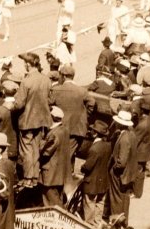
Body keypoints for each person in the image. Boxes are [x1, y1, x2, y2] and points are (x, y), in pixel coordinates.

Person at [14, 52, 53, 188]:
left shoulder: (26, 81)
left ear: (28, 64)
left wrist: (10, 105)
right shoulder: (46, 79)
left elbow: (19, 104)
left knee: (26, 150)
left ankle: (27, 177)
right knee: (36, 149)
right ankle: (35, 177)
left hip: (27, 121)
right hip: (41, 120)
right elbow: (50, 99)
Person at [50, 64, 95, 164]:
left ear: (64, 76)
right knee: (69, 154)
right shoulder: (82, 91)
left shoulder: (56, 90)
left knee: (59, 155)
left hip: (59, 128)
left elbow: (49, 104)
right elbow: (91, 103)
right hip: (77, 128)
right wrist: (84, 116)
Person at [108, 110, 140, 224]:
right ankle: (124, 219)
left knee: (116, 197)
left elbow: (122, 162)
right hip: (129, 173)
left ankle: (116, 219)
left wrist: (114, 169)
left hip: (120, 174)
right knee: (125, 198)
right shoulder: (131, 134)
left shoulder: (124, 138)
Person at [79, 120, 111, 226]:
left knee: (89, 203)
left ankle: (89, 225)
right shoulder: (107, 145)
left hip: (92, 182)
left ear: (96, 133)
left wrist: (82, 168)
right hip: (103, 181)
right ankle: (97, 223)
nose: (91, 132)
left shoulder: (94, 149)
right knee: (100, 203)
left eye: (93, 130)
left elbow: (88, 167)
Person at [39, 106, 70, 207]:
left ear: (51, 117)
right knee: (58, 198)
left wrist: (40, 145)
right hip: (59, 174)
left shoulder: (54, 134)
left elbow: (46, 152)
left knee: (50, 202)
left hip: (50, 174)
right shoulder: (64, 130)